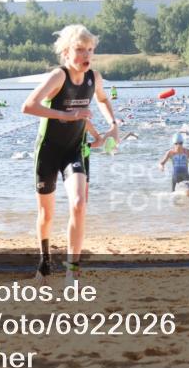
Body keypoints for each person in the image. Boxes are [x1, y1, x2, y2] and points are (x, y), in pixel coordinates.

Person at [22, 24, 118, 283]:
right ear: (66, 52)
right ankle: (44, 263)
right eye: (79, 49)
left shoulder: (93, 78)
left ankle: (71, 272)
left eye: (90, 50)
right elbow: (28, 106)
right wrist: (66, 115)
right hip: (48, 152)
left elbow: (101, 100)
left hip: (75, 150)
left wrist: (111, 127)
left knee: (78, 204)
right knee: (46, 215)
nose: (86, 55)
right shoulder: (58, 76)